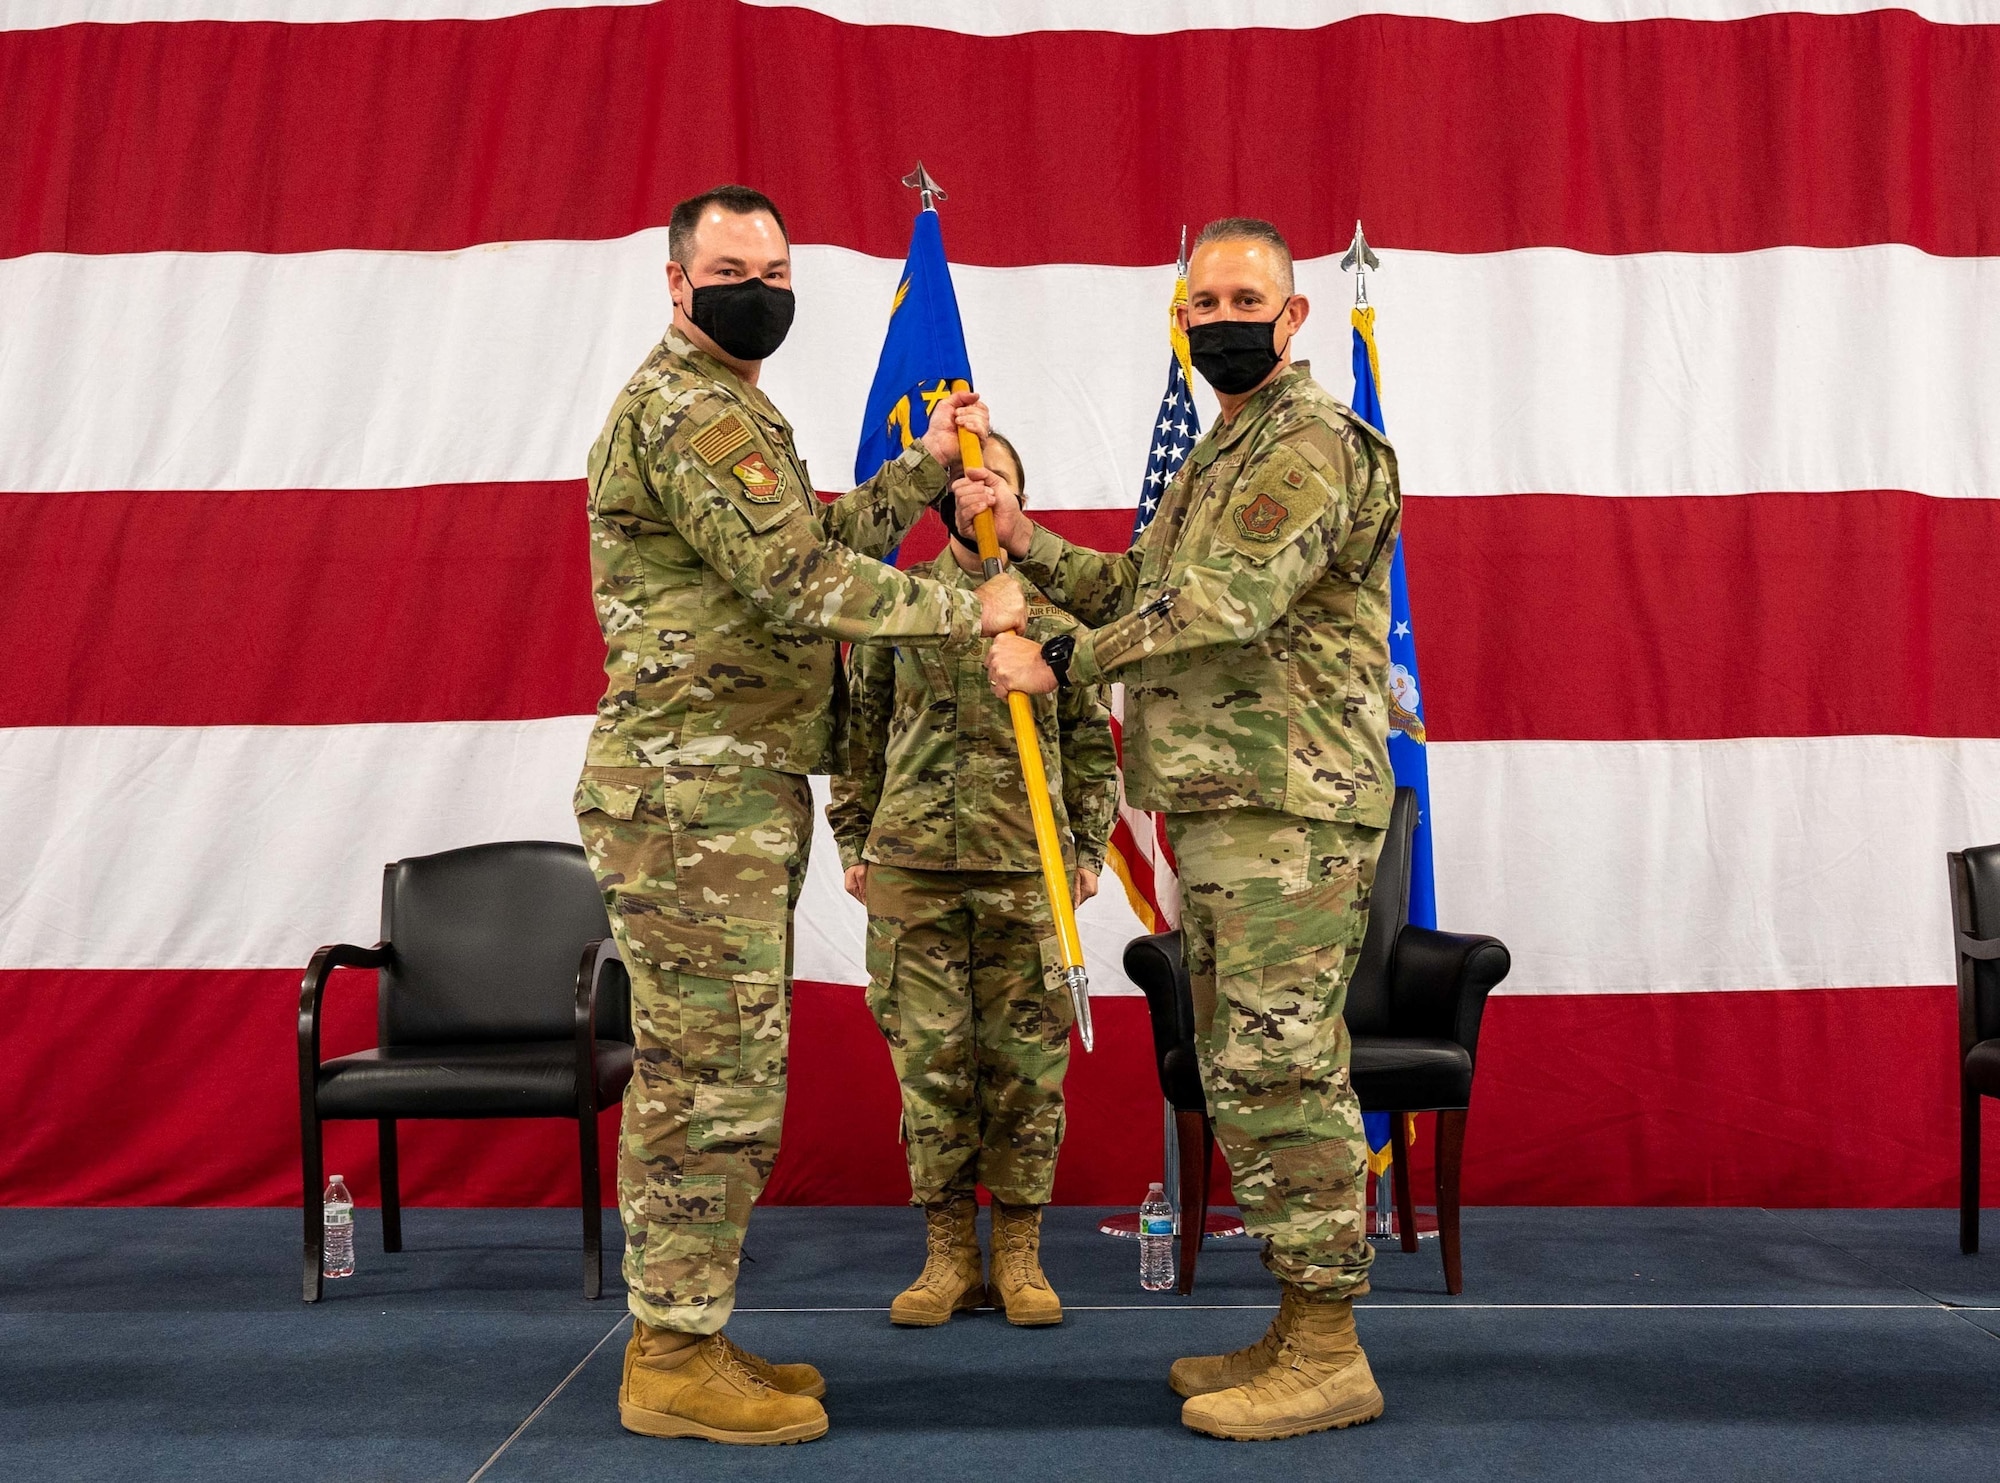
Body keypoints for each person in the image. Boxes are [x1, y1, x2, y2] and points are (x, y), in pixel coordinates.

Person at [574, 184, 1025, 1447]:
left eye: (775, 268)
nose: (759, 287)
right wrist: (968, 613)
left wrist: (924, 470)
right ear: (675, 282)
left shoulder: (733, 407)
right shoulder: (684, 409)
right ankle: (666, 1355)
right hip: (689, 793)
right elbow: (793, 579)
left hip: (727, 789)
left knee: (726, 1070)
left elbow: (811, 533)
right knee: (707, 1079)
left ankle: (692, 1329)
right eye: (730, 268)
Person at [967, 217, 1401, 1442]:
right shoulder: (1223, 452)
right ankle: (1293, 1321)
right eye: (1200, 297)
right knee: (1240, 1065)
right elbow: (1138, 585)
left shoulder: (1309, 443)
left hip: (1286, 809)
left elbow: (1223, 600)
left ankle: (1329, 1346)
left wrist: (1062, 657)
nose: (1218, 316)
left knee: (1277, 1065)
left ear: (1292, 314)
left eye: (1242, 296)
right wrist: (1023, 535)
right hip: (1224, 811)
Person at [827, 432, 1118, 1331]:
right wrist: (853, 840)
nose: (978, 490)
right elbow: (859, 730)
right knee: (933, 1066)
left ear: (1018, 498)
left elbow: (1091, 747)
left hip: (1026, 867)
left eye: (997, 479)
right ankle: (949, 1252)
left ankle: (1021, 1253)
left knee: (1028, 1069)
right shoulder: (901, 603)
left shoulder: (1056, 617)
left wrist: (1088, 851)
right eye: (962, 477)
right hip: (912, 866)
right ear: (943, 497)